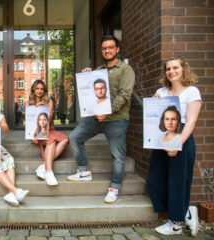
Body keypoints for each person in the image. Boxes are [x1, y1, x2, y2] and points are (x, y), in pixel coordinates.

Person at [67, 35, 135, 204]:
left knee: (117, 156)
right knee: (75, 137)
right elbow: (90, 92)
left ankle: (114, 188)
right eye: (104, 48)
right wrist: (87, 76)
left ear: (117, 49)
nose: (107, 50)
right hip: (96, 118)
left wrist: (108, 110)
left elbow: (125, 95)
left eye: (111, 47)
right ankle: (83, 171)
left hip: (117, 119)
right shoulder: (98, 70)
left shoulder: (126, 70)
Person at [147, 56, 201, 236]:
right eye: (168, 69)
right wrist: (154, 103)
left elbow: (191, 121)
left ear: (183, 69)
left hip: (182, 137)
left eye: (175, 68)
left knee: (177, 181)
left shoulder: (191, 91)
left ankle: (177, 223)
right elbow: (155, 118)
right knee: (155, 179)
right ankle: (184, 210)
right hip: (162, 139)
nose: (171, 71)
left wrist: (177, 143)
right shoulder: (161, 91)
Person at [29, 80, 69, 186]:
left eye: (42, 89)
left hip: (48, 129)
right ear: (33, 89)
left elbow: (49, 119)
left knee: (65, 139)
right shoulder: (28, 103)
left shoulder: (49, 101)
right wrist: (33, 136)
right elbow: (29, 122)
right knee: (52, 141)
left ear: (44, 90)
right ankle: (49, 172)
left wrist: (43, 109)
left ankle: (43, 165)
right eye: (37, 88)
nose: (39, 91)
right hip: (35, 131)